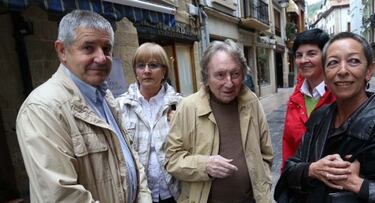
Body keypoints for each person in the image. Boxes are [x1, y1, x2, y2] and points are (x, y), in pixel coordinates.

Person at [15, 10, 151, 202]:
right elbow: (62, 196)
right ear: (62, 51)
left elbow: (131, 157)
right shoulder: (42, 108)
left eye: (106, 48)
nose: (101, 58)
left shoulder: (105, 96)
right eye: (88, 48)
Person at [274, 32, 375, 203]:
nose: (342, 71)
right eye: (333, 63)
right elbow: (290, 169)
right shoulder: (320, 117)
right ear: (325, 75)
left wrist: (360, 185)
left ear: (369, 71)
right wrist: (312, 169)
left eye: (353, 61)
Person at [165, 39, 273, 203]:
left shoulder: (251, 102)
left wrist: (263, 184)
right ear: (206, 77)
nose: (229, 83)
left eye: (235, 74)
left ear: (243, 74)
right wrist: (205, 166)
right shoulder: (188, 107)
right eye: (220, 75)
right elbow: (171, 161)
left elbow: (266, 154)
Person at [117, 42, 182, 203]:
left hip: (175, 193)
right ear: (136, 72)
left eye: (153, 65)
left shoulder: (181, 105)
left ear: (164, 71)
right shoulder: (120, 106)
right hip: (139, 194)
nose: (146, 71)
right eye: (141, 66)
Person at [281, 28, 335, 170]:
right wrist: (286, 177)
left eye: (311, 54)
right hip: (299, 180)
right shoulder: (295, 97)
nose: (304, 60)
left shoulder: (338, 95)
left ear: (326, 56)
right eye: (299, 55)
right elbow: (288, 144)